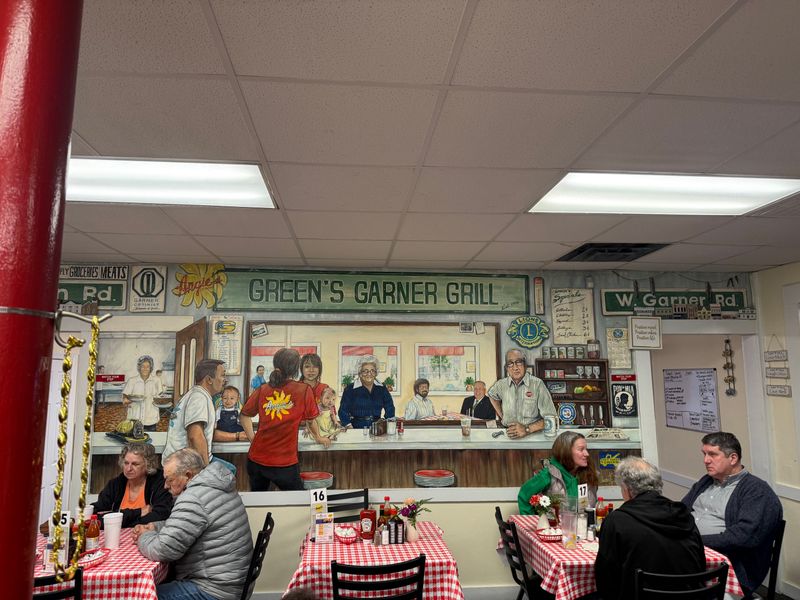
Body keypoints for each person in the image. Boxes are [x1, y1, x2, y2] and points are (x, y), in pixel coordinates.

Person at [134, 448, 252, 600]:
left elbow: (163, 550)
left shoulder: (193, 498)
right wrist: (156, 527)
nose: (165, 486)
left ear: (188, 475)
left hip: (214, 590)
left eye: (169, 479)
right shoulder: (215, 486)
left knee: (140, 595)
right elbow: (192, 525)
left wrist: (144, 536)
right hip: (231, 582)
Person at [682, 431, 783, 596]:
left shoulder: (757, 491)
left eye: (713, 454)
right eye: (705, 454)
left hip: (731, 565)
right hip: (694, 554)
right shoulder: (706, 481)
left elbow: (743, 537)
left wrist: (694, 542)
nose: (706, 460)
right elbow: (682, 511)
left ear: (733, 458)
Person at [595, 456, 705, 600]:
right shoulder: (683, 515)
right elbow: (701, 565)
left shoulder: (617, 520)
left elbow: (606, 580)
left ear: (627, 489)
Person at [240, 348, 330, 491]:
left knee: (259, 505)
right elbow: (311, 421)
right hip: (284, 463)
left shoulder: (263, 389)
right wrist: (318, 437)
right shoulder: (304, 390)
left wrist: (253, 439)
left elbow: (244, 415)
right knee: (296, 504)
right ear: (296, 369)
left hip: (256, 460)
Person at [39, 442, 173, 535]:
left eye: (135, 464)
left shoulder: (159, 483)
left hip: (144, 539)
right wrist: (137, 513)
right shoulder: (115, 484)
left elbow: (161, 515)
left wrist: (115, 520)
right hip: (113, 539)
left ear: (148, 465)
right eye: (126, 463)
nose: (128, 468)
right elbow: (94, 516)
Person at [163, 359, 226, 466]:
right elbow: (195, 436)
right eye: (223, 375)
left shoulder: (197, 394)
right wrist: (206, 470)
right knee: (228, 474)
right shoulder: (199, 398)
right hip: (183, 465)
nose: (225, 380)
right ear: (209, 379)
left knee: (229, 471)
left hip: (182, 460)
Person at [518, 431, 598, 514]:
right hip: (555, 526)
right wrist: (534, 522)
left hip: (584, 525)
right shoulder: (548, 474)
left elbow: (590, 506)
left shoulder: (589, 473)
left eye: (586, 449)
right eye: (581, 449)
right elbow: (524, 496)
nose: (587, 454)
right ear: (567, 452)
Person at [488, 349, 556, 439]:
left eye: (519, 362)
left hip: (533, 437)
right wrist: (502, 415)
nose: (515, 367)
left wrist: (527, 429)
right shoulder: (501, 384)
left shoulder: (537, 384)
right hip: (508, 435)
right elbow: (492, 395)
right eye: (510, 363)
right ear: (507, 368)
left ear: (525, 365)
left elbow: (551, 418)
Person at [338, 354, 395, 429]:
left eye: (372, 371)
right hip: (356, 429)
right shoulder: (350, 389)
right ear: (360, 373)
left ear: (376, 373)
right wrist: (349, 426)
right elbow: (343, 411)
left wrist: (388, 425)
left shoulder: (382, 388)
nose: (369, 374)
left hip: (377, 429)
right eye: (365, 371)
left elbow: (390, 408)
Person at [122, 355, 163, 431]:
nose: (145, 369)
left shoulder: (157, 381)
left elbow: (160, 397)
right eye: (142, 366)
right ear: (139, 367)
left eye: (147, 366)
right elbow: (125, 397)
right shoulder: (132, 381)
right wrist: (128, 400)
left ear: (151, 368)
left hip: (151, 418)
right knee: (134, 441)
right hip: (135, 418)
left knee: (151, 440)